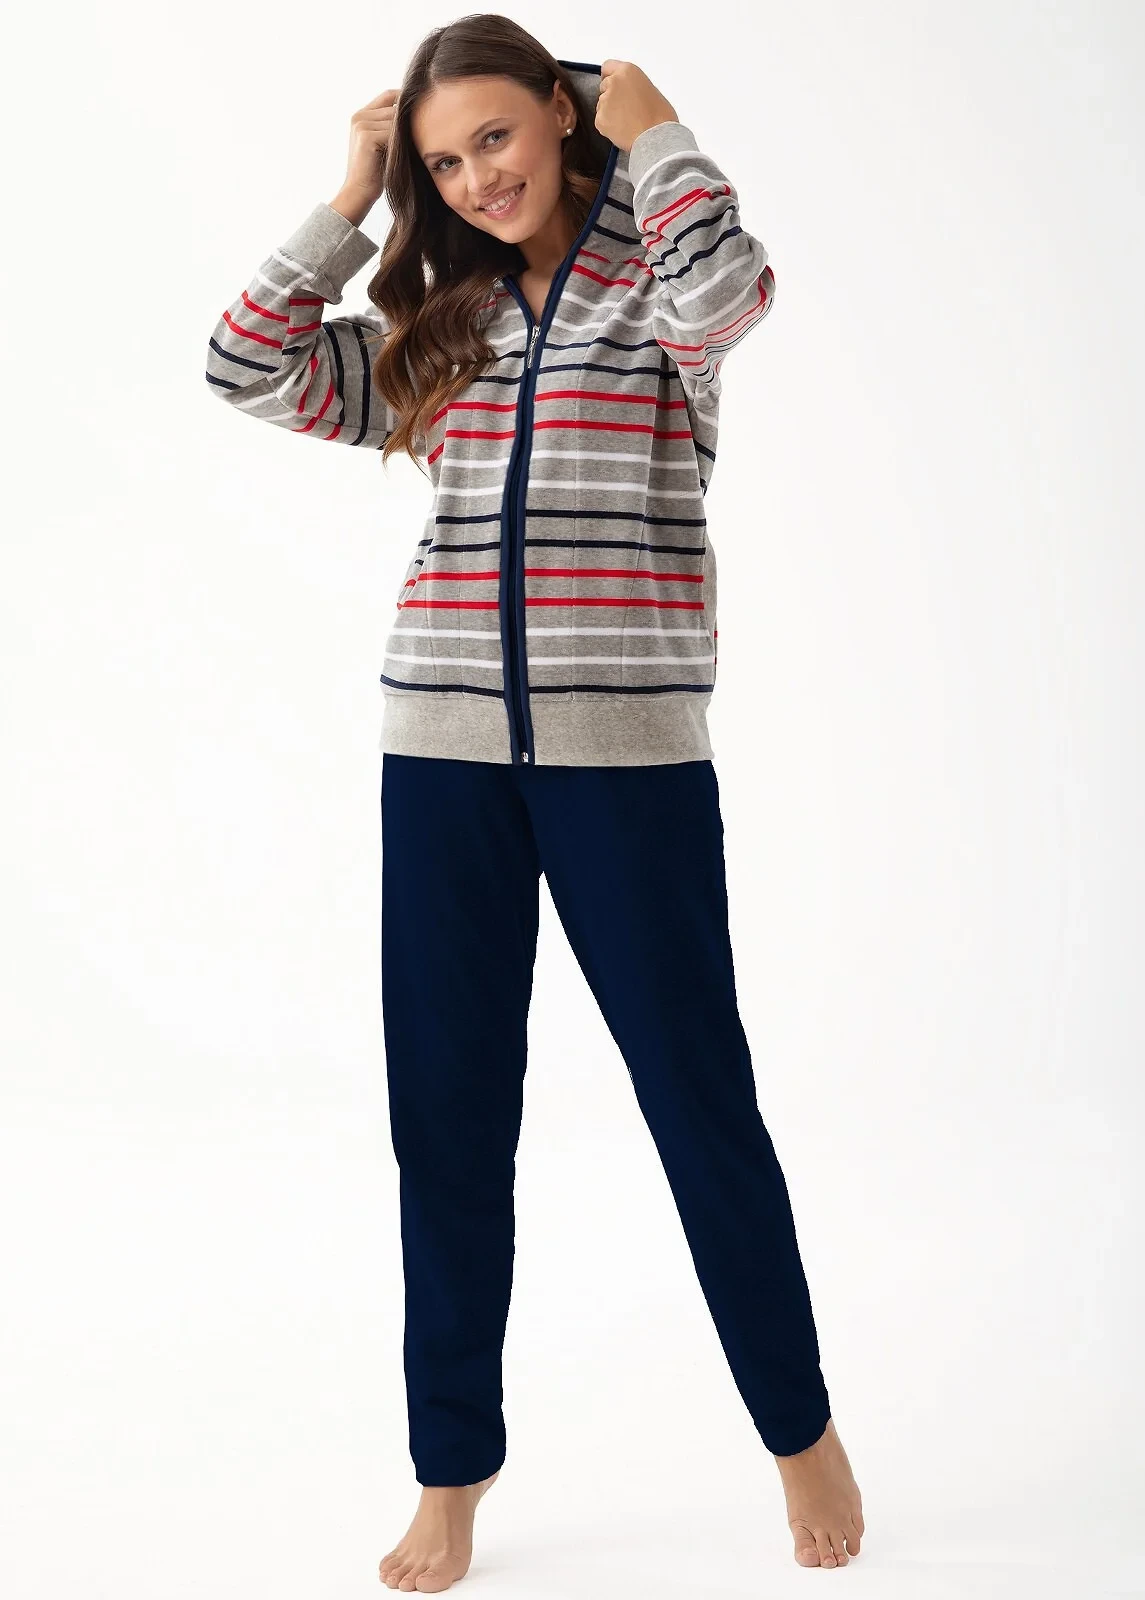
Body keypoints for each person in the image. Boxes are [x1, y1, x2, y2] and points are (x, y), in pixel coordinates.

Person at [205, 15, 864, 1591]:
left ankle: (801, 1432)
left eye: (495, 137)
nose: (475, 179)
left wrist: (661, 127)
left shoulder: (656, 294)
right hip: (439, 761)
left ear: (562, 119)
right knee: (445, 1118)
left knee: (697, 1100)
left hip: (626, 761)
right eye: (444, 161)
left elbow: (736, 291)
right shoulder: (438, 327)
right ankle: (452, 1470)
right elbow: (243, 364)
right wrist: (350, 196)